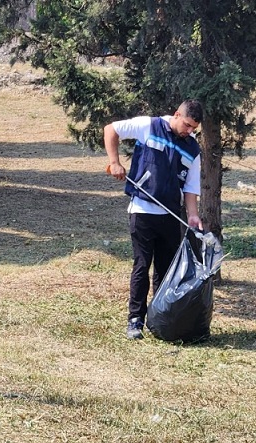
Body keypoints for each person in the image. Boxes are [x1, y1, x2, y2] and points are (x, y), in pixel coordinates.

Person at [103, 100, 203, 340]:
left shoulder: (192, 149)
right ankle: (135, 320)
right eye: (187, 125)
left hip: (169, 215)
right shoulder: (149, 126)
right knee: (141, 265)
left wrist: (192, 214)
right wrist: (115, 162)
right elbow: (111, 129)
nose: (189, 131)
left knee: (164, 270)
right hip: (142, 211)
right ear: (177, 114)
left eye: (194, 128)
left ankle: (158, 319)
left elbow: (190, 188)